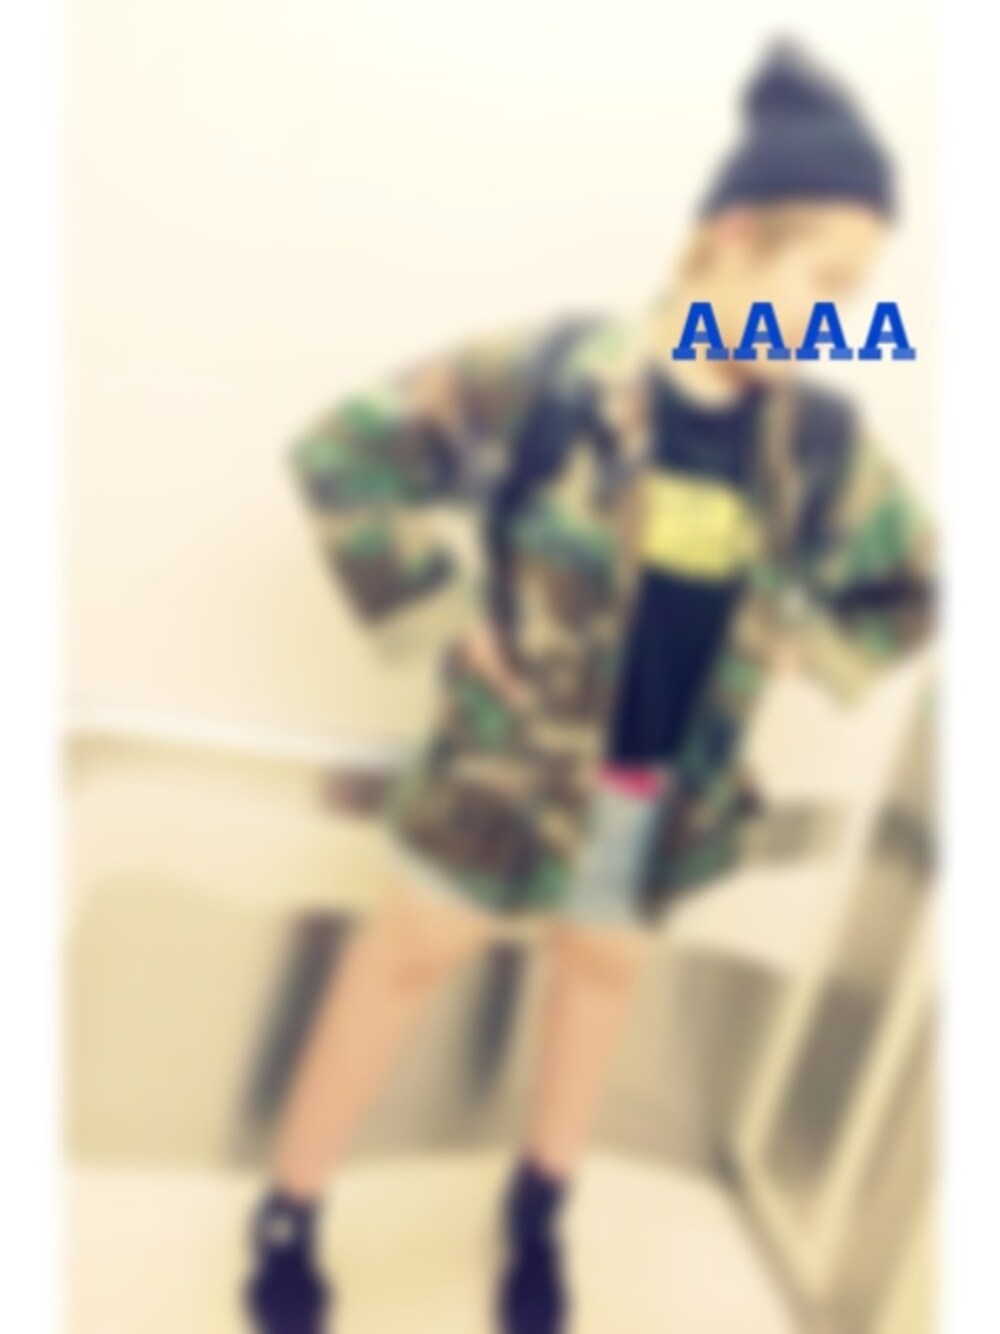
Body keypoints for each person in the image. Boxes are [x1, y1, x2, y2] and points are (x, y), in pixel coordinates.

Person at [245, 41, 934, 1334]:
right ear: (735, 239)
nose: (842, 318)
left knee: (600, 980)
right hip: (502, 771)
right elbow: (347, 454)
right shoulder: (557, 375)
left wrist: (803, 645)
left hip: (658, 795)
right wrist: (440, 613)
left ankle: (538, 1214)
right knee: (399, 969)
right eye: (829, 285)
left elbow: (915, 583)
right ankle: (290, 1212)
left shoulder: (821, 443)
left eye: (859, 295)